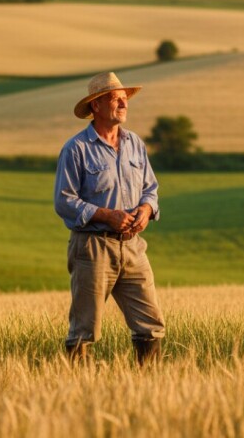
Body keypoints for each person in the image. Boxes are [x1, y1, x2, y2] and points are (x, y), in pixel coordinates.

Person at [53, 72, 165, 365]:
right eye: (115, 97)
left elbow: (150, 189)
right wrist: (106, 215)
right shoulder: (76, 149)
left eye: (124, 97)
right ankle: (78, 390)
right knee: (84, 330)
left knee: (151, 324)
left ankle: (149, 389)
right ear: (96, 106)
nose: (123, 101)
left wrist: (145, 211)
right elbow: (64, 201)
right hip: (93, 247)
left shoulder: (135, 144)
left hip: (132, 246)